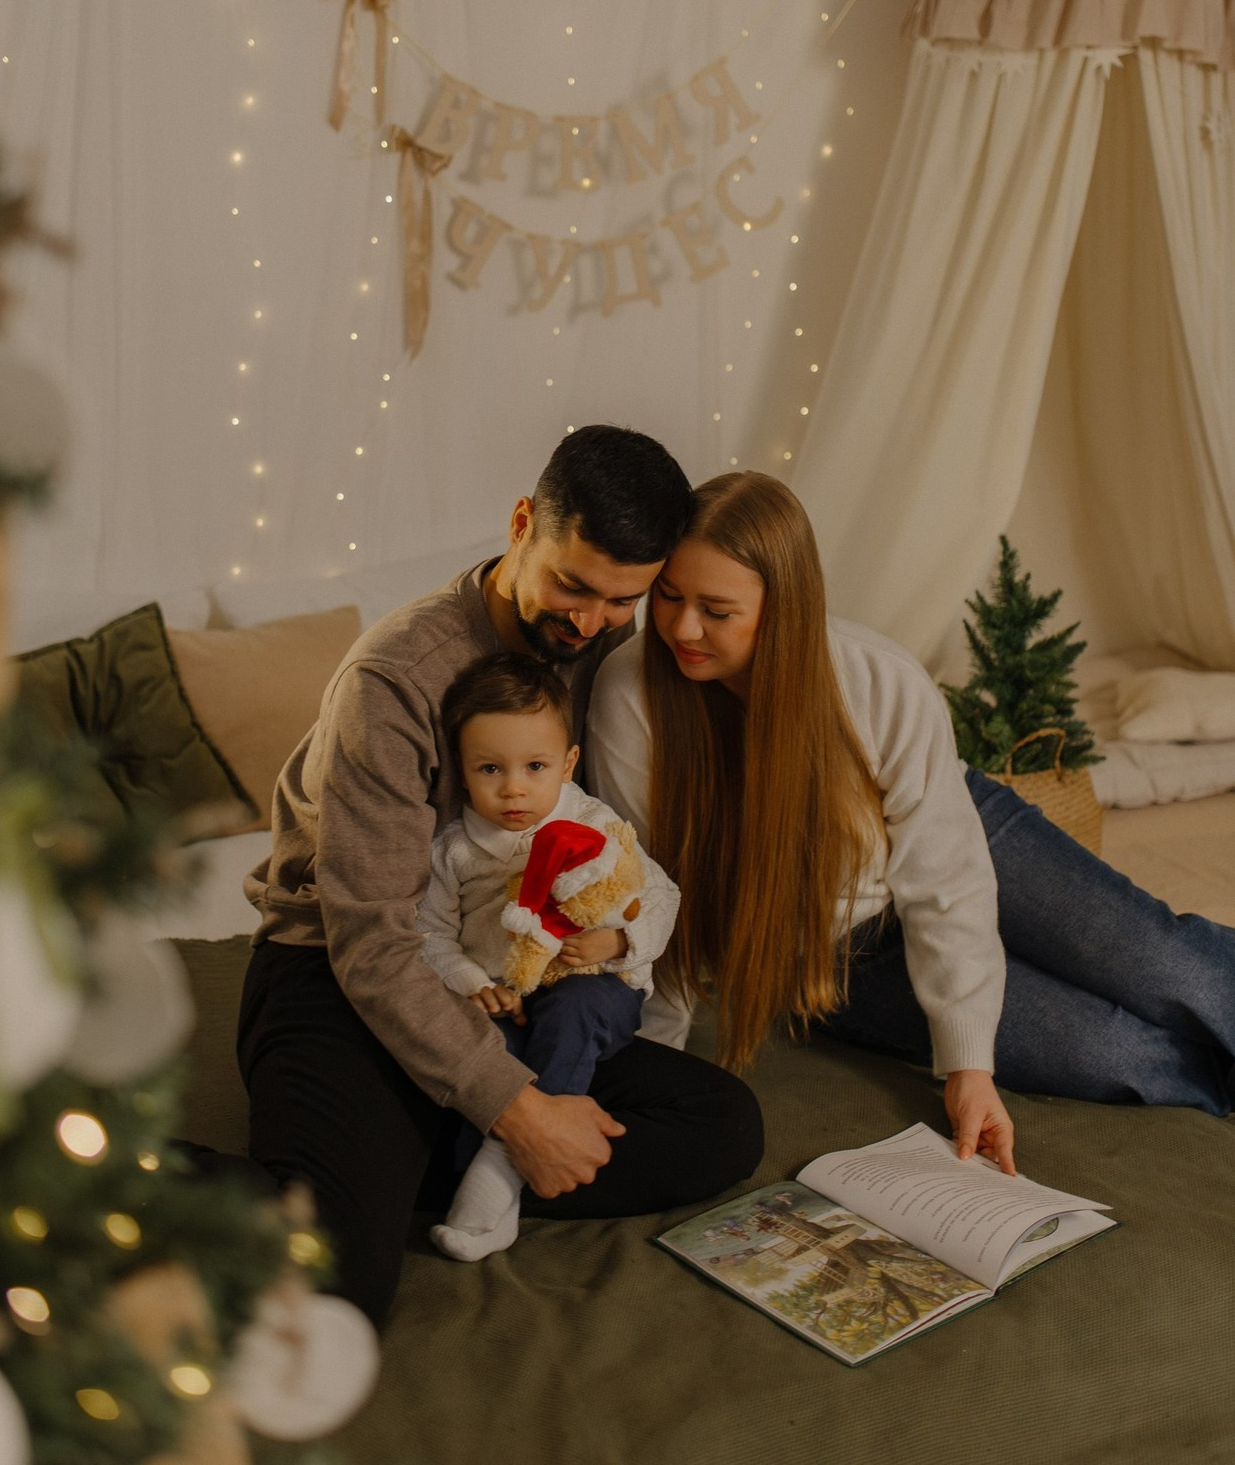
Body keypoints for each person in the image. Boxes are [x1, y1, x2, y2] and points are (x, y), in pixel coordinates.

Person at [239, 427, 763, 1322]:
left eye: (622, 600)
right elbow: (371, 942)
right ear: (522, 524)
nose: (590, 621)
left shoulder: (605, 651)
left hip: (517, 983)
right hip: (345, 971)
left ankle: (399, 1162)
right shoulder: (396, 679)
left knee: (721, 1128)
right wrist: (518, 1110)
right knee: (339, 1293)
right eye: (573, 586)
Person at [586, 470, 1235, 1173]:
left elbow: (943, 876)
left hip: (958, 834)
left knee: (1166, 964)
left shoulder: (878, 678)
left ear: (785, 606)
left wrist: (969, 1066)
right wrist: (652, 1067)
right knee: (1108, 1052)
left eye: (717, 610)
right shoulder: (628, 697)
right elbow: (651, 892)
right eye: (669, 597)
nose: (683, 628)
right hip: (839, 950)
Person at [418, 652, 680, 1261]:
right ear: (462, 769)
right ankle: (494, 1190)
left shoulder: (594, 823)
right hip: (506, 996)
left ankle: (494, 1181)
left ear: (567, 764)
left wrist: (619, 942)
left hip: (594, 987)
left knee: (573, 1011)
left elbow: (662, 896)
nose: (513, 788)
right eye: (490, 768)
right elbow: (429, 934)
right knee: (486, 1055)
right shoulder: (454, 849)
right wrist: (470, 982)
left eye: (535, 767)